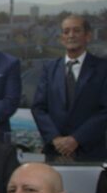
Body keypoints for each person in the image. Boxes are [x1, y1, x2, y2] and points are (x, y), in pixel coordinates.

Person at [31, 15, 107, 161]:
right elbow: (38, 108)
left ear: (88, 36)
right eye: (66, 32)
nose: (71, 35)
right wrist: (55, 138)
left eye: (76, 30)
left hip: (91, 152)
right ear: (61, 38)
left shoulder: (102, 68)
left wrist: (76, 139)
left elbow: (105, 110)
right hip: (55, 152)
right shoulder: (49, 69)